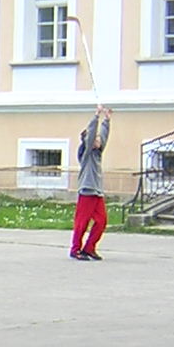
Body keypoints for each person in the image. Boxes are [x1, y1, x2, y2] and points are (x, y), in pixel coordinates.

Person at [70, 105, 112, 260]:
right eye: (95, 139)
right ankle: (75, 249)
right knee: (82, 222)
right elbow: (91, 134)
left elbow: (104, 136)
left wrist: (107, 120)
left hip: (97, 192)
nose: (98, 140)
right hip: (87, 190)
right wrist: (96, 116)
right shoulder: (86, 153)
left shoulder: (98, 153)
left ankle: (89, 248)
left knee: (101, 221)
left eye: (98, 139)